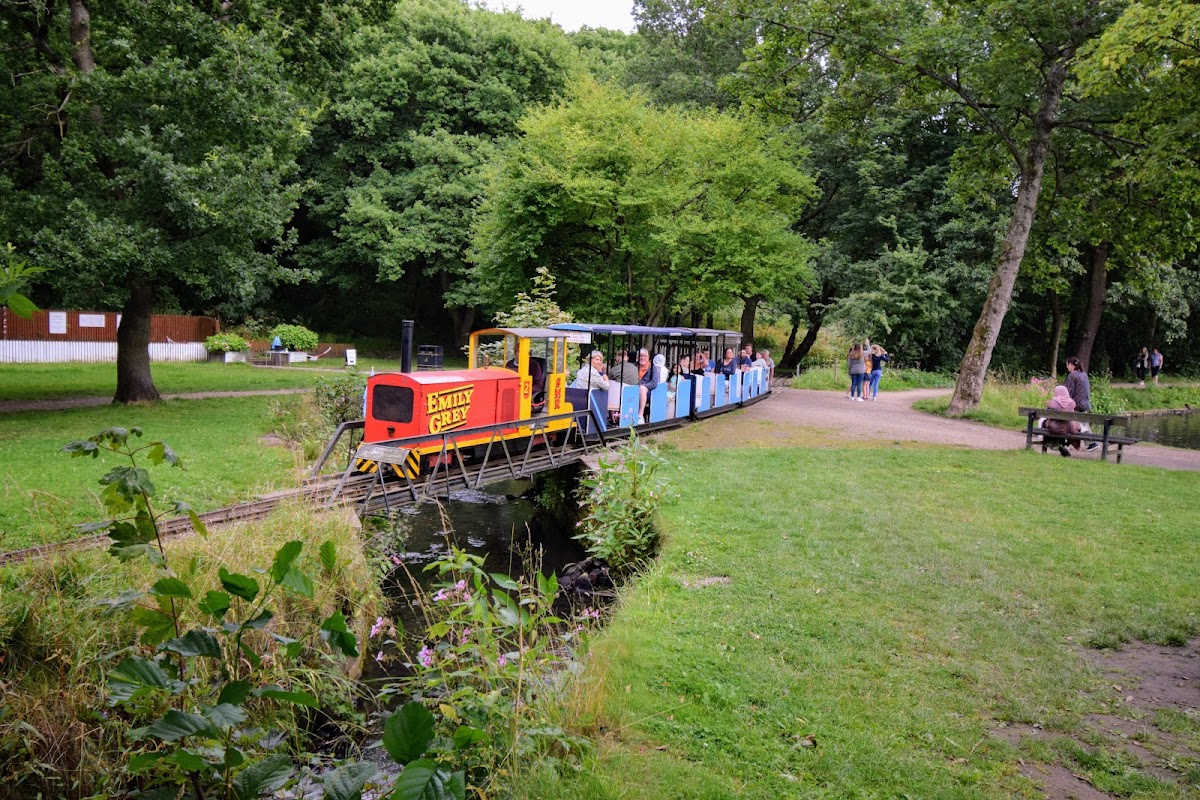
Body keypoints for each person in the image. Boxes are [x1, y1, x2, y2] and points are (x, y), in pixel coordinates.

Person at [1064, 356, 1098, 449]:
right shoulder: (1084, 374)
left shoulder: (1072, 375)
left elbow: (1068, 391)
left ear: (1071, 365)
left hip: (1076, 405)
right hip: (1085, 404)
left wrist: (1064, 402)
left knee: (1070, 423)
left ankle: (1068, 444)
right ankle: (1091, 443)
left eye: (1067, 365)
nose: (1067, 367)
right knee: (1083, 424)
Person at [1045, 385, 1082, 457]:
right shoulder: (1072, 402)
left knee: (1046, 424)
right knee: (1068, 426)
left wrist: (1048, 404)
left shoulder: (1052, 402)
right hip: (1070, 428)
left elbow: (1047, 414)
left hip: (1054, 428)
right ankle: (1064, 446)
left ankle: (1052, 444)